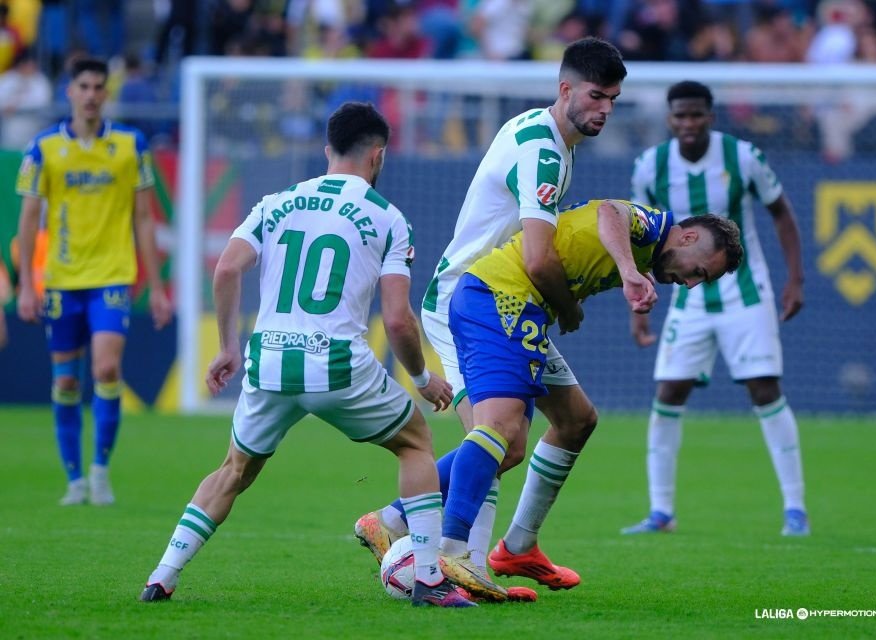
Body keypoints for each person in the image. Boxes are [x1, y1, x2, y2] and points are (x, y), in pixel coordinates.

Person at [139, 101, 474, 608]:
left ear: (327, 151)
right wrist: (423, 377)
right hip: (336, 362)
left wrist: (229, 345)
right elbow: (399, 318)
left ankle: (162, 576)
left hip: (269, 360)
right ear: (378, 156)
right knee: (416, 445)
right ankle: (428, 576)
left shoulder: (276, 202)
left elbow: (227, 269)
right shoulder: (387, 217)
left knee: (234, 469)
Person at [355, 36, 648, 599]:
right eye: (596, 95)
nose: (605, 109)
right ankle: (453, 560)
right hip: (468, 300)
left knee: (576, 419)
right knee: (498, 439)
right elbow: (538, 256)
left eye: (613, 98)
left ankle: (513, 547)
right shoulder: (541, 147)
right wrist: (570, 306)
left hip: (511, 303)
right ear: (565, 90)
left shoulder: (552, 137)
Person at [440, 198, 743, 601]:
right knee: (499, 429)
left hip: (525, 310)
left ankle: (518, 547)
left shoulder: (650, 250)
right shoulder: (652, 226)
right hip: (501, 297)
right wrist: (626, 272)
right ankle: (444, 548)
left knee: (574, 421)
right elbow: (610, 212)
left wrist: (575, 302)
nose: (689, 283)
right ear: (687, 237)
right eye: (698, 272)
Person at [622, 80, 809, 537]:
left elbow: (781, 211)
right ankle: (661, 512)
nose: (688, 124)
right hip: (688, 299)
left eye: (696, 115)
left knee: (764, 389)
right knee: (668, 393)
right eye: (680, 116)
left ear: (711, 115)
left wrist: (795, 278)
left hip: (744, 293)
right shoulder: (651, 166)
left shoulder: (742, 157)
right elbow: (639, 237)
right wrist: (639, 304)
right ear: (669, 119)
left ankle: (795, 508)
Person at [15, 57, 172, 507]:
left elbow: (144, 217)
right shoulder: (43, 148)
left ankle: (100, 470)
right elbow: (28, 219)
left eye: (98, 86)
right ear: (69, 91)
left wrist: (157, 287)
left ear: (106, 93)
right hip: (63, 279)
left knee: (105, 369)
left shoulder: (130, 144)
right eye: (82, 85)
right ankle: (74, 479)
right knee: (65, 382)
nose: (90, 94)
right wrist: (28, 282)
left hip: (113, 276)